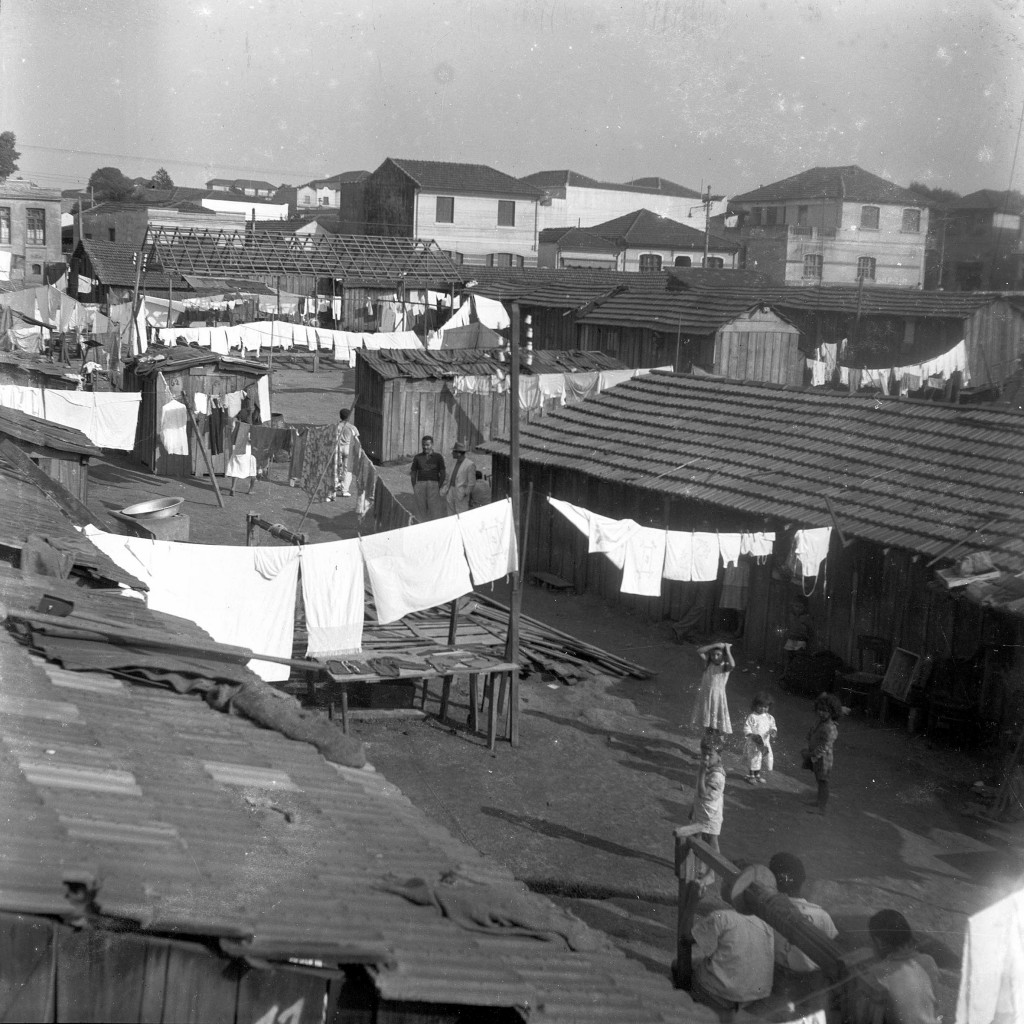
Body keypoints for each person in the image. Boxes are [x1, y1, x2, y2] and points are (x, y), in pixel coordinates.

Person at [690, 865, 776, 1011]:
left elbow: (688, 940)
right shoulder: (766, 923)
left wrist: (691, 901)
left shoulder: (721, 917)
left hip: (717, 994)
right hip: (752, 997)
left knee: (683, 964)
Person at [768, 852, 840, 1010]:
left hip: (776, 979)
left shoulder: (767, 910)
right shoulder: (822, 916)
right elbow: (834, 951)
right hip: (810, 986)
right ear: (803, 881)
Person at [863, 910, 940, 1024]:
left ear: (879, 942)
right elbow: (935, 1006)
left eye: (872, 941)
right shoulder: (928, 961)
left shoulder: (876, 974)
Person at [803, 692, 843, 815]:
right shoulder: (820, 722)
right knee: (818, 779)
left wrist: (812, 754)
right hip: (816, 757)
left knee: (823, 782)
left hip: (823, 759)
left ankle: (822, 807)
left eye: (825, 711)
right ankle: (819, 801)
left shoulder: (830, 728)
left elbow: (825, 746)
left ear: (832, 712)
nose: (821, 713)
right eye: (819, 710)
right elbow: (812, 732)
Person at [689, 733, 726, 855]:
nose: (705, 758)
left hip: (711, 815)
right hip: (701, 810)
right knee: (696, 836)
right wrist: (693, 809)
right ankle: (698, 864)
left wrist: (701, 772)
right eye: (703, 754)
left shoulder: (717, 775)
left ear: (719, 757)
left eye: (710, 755)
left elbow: (703, 794)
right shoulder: (709, 769)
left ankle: (712, 872)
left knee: (712, 840)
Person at [691, 641, 735, 738]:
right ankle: (707, 749)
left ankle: (718, 747)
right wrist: (715, 645)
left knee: (719, 726)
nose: (715, 657)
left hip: (718, 699)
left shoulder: (725, 666)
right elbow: (699, 651)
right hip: (707, 698)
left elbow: (733, 665)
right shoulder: (708, 664)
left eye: (718, 654)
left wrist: (727, 650)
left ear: (723, 655)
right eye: (713, 655)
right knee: (708, 725)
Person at [409, 435, 446, 522]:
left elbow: (443, 473)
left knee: (434, 510)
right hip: (421, 484)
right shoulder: (417, 457)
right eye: (423, 445)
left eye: (427, 445)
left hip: (433, 484)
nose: (425, 447)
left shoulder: (438, 457)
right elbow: (413, 473)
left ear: (432, 445)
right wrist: (415, 486)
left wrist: (438, 486)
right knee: (420, 509)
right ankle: (421, 527)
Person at [743, 691, 777, 784]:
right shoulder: (752, 717)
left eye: (765, 707)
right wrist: (750, 734)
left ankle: (757, 775)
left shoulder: (770, 718)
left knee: (760, 759)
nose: (763, 709)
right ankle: (751, 776)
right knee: (753, 759)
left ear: (769, 707)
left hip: (764, 743)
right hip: (754, 743)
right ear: (755, 706)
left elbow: (773, 726)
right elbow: (747, 727)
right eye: (760, 706)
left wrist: (773, 731)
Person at [330, 407, 359, 500]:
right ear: (349, 417)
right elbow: (356, 439)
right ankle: (344, 490)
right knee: (347, 469)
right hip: (347, 450)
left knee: (337, 467)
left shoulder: (336, 426)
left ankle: (336, 485)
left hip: (338, 449)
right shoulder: (352, 427)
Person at [442, 440, 476, 515]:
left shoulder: (470, 464)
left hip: (461, 492)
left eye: (454, 452)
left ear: (459, 453)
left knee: (461, 515)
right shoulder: (454, 463)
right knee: (450, 514)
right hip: (451, 490)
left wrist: (465, 493)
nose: (452, 453)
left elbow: (471, 483)